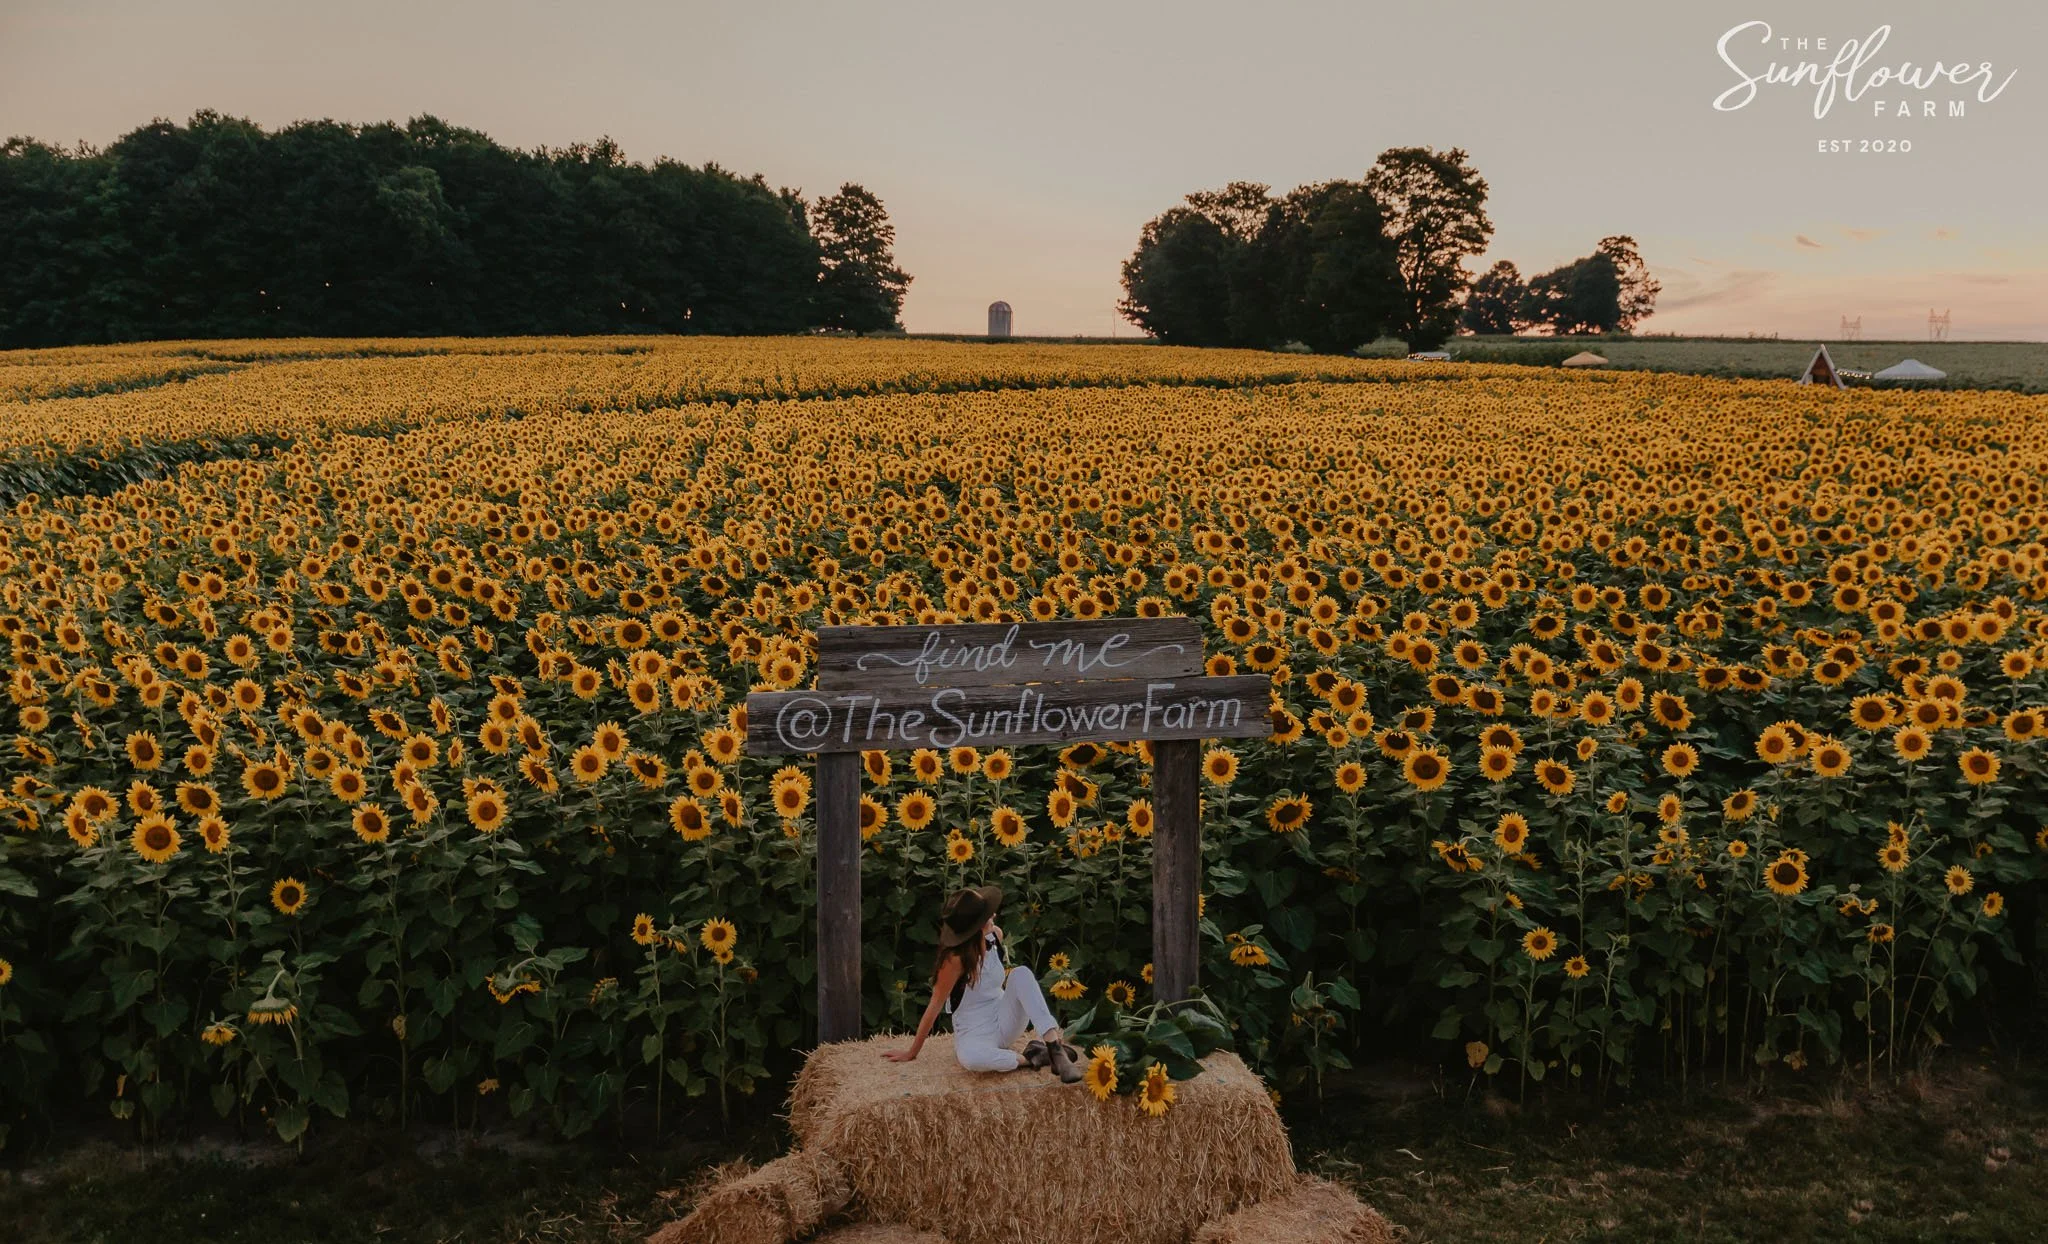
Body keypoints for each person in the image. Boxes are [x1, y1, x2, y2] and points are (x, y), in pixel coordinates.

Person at [881, 884, 1081, 1081]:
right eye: (988, 915)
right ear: (975, 927)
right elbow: (935, 1005)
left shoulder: (996, 936)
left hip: (1004, 1018)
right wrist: (911, 1052)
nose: (993, 916)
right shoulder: (954, 960)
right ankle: (1034, 1057)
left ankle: (1054, 1048)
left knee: (1021, 973)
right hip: (974, 1032)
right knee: (971, 1059)